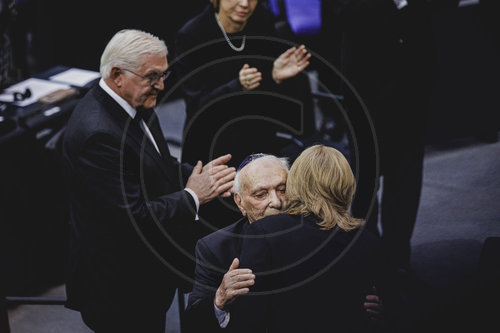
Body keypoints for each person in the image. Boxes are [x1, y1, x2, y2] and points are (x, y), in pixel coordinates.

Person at [61, 29, 235, 332]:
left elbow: (157, 165)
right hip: (118, 290)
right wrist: (192, 196)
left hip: (146, 276)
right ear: (117, 74)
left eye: (164, 74)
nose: (162, 85)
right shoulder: (98, 135)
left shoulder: (136, 100)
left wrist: (207, 177)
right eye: (153, 76)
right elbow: (132, 219)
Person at [183, 152, 383, 332]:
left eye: (282, 190)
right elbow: (193, 323)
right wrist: (219, 300)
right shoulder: (214, 247)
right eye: (261, 194)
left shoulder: (316, 234)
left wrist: (370, 306)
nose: (276, 202)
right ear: (239, 202)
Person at [330, 0, 458, 273]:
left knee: (407, 176)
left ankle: (398, 258)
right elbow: (340, 11)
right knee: (366, 178)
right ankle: (368, 260)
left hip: (414, 78)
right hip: (364, 84)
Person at [173, 0, 315, 232]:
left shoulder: (262, 21)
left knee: (269, 215)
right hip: (213, 144)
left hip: (256, 134)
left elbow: (269, 94)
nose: (244, 4)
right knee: (221, 226)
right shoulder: (192, 35)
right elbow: (198, 105)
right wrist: (235, 85)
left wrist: (275, 76)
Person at [229, 145, 397, 332]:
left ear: (296, 183)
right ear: (348, 187)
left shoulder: (265, 232)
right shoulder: (366, 241)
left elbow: (248, 318)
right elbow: (388, 310)